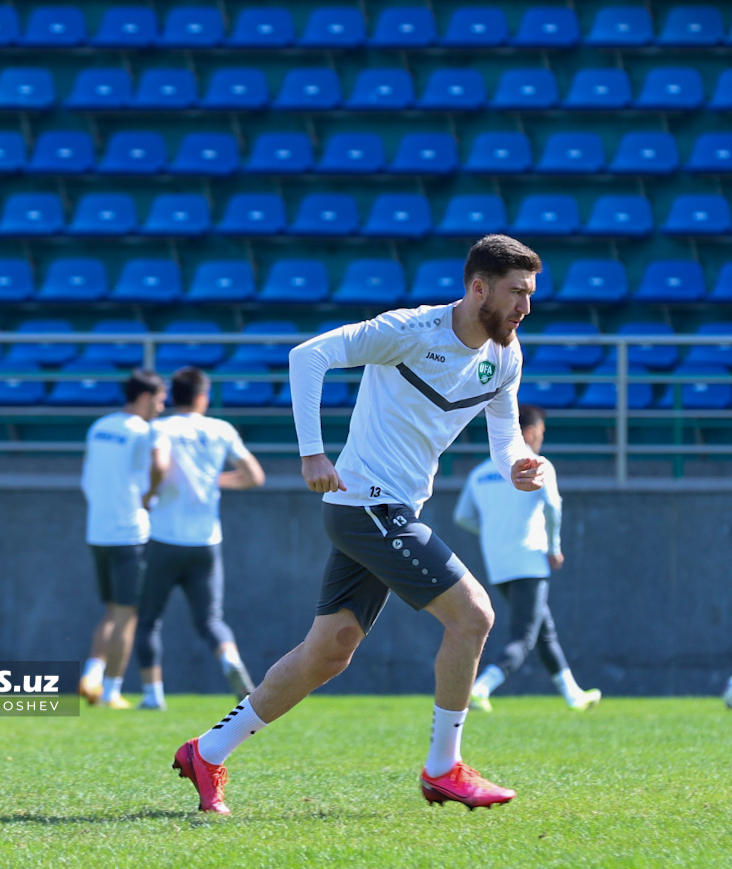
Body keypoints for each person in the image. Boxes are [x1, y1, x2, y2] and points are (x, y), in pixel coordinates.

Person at [170, 234, 546, 815]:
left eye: (530, 294)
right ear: (478, 288)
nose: (526, 306)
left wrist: (519, 464)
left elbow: (504, 438)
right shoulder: (411, 330)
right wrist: (312, 453)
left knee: (330, 652)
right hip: (366, 502)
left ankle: (207, 751)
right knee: (474, 616)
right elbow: (308, 356)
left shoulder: (507, 355)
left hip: (388, 510)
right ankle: (443, 769)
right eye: (517, 293)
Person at [134, 366, 266, 711]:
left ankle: (152, 695)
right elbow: (254, 476)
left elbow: (160, 464)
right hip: (207, 541)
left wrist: (150, 494)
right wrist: (212, 482)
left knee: (148, 619)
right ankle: (230, 660)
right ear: (202, 396)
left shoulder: (160, 426)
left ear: (173, 396)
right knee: (211, 620)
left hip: (164, 538)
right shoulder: (220, 429)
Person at [456, 404, 602, 713]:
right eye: (541, 434)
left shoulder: (480, 473)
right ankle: (480, 687)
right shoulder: (538, 464)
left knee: (543, 630)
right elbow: (553, 507)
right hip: (530, 561)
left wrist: (494, 532)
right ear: (530, 432)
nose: (541, 440)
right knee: (524, 637)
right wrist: (553, 547)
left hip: (498, 564)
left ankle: (573, 694)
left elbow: (463, 516)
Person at [78, 369, 166, 709]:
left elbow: (88, 474)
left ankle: (92, 674)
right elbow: (160, 464)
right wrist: (151, 494)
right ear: (145, 397)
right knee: (127, 615)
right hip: (130, 531)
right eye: (159, 400)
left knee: (112, 611)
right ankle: (111, 692)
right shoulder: (144, 431)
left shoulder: (99, 426)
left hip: (97, 530)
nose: (161, 407)